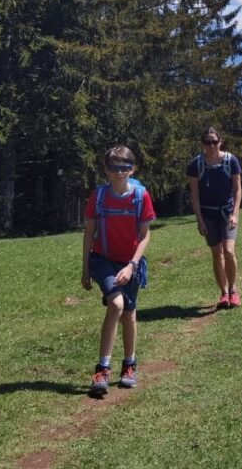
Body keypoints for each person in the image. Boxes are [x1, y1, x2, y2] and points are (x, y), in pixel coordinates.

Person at [82, 145, 155, 396]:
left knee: (129, 314)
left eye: (125, 168)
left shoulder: (140, 196)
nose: (120, 173)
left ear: (132, 169)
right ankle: (102, 369)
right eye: (114, 168)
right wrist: (85, 268)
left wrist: (132, 265)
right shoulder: (99, 196)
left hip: (130, 262)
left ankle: (129, 365)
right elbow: (89, 232)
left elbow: (145, 236)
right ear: (106, 169)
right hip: (102, 259)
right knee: (116, 305)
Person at [188, 127, 242, 310]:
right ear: (202, 144)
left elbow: (237, 189)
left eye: (214, 142)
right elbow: (194, 195)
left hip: (227, 214)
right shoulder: (196, 164)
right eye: (207, 142)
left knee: (228, 251)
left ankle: (233, 290)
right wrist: (199, 220)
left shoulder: (231, 161)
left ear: (221, 142)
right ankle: (223, 292)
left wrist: (235, 213)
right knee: (216, 254)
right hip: (208, 215)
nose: (211, 146)